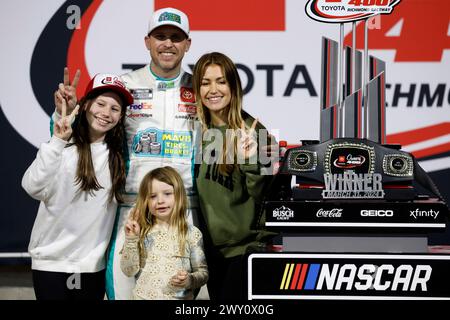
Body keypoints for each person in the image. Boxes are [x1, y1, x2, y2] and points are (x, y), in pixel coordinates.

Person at [55, 7, 201, 299]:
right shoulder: (125, 86)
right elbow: (84, 129)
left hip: (185, 211)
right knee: (123, 292)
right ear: (147, 41)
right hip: (131, 210)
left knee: (175, 292)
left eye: (176, 37)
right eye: (160, 36)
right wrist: (68, 112)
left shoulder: (200, 88)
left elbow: (229, 132)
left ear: (187, 44)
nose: (168, 44)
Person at [22, 73, 133, 300]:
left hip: (91, 267)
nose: (106, 113)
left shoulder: (118, 156)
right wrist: (57, 140)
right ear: (85, 106)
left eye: (115, 108)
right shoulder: (62, 146)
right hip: (51, 264)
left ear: (121, 116)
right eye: (101, 104)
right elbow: (31, 186)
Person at [192, 52, 277, 300]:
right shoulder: (196, 130)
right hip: (208, 251)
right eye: (205, 83)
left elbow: (264, 196)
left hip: (244, 251)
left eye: (221, 81)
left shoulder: (255, 131)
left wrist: (250, 158)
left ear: (233, 86)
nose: (213, 90)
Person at [120, 166, 208, 300]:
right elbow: (128, 271)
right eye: (153, 196)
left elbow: (203, 273)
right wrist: (131, 239)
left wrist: (189, 280)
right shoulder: (140, 232)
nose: (160, 201)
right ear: (146, 201)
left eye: (167, 194)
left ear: (179, 195)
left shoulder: (192, 233)